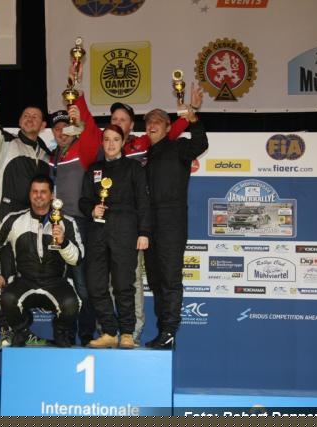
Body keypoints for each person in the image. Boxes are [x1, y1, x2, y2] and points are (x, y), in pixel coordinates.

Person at [71, 62, 198, 345]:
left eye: (123, 119)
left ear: (130, 125)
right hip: (106, 229)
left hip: (138, 228)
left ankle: (132, 331)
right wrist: (76, 90)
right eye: (113, 119)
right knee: (102, 282)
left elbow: (167, 132)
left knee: (131, 283)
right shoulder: (98, 162)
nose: (115, 131)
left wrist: (189, 114)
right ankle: (109, 330)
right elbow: (87, 123)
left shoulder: (143, 145)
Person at [0, 77, 51, 348]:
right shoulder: (5, 145)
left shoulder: (46, 155)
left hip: (33, 231)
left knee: (26, 282)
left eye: (36, 117)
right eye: (26, 115)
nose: (30, 119)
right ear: (20, 121)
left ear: (43, 125)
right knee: (6, 280)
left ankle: (23, 332)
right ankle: (8, 332)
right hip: (6, 227)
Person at [0, 175, 83, 347]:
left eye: (43, 192)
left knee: (72, 304)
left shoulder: (67, 222)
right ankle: (21, 332)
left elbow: (77, 259)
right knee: (7, 298)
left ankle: (61, 333)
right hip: (25, 281)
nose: (38, 196)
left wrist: (63, 242)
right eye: (35, 191)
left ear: (52, 195)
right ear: (29, 194)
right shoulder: (13, 219)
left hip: (56, 282)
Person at [143, 88, 209, 349]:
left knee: (170, 280)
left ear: (168, 127)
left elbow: (201, 144)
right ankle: (163, 332)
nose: (152, 124)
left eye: (158, 121)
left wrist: (193, 118)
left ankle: (169, 332)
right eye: (149, 121)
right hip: (149, 224)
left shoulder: (179, 147)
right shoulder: (145, 156)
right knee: (156, 281)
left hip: (172, 221)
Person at [79, 125, 151, 349]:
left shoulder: (134, 168)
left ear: (123, 142)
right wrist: (92, 210)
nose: (111, 144)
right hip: (98, 231)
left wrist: (144, 232)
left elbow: (143, 202)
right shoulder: (94, 170)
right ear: (102, 142)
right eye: (107, 139)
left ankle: (127, 332)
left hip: (125, 229)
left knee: (123, 284)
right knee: (95, 284)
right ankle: (109, 331)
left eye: (116, 139)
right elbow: (83, 200)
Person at [48, 109, 101, 346]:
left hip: (79, 223)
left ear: (74, 129)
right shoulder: (51, 156)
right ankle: (64, 334)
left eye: (66, 127)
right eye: (57, 129)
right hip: (55, 224)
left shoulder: (83, 148)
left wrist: (81, 118)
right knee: (59, 281)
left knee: (82, 283)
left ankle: (87, 333)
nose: (61, 132)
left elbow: (93, 136)